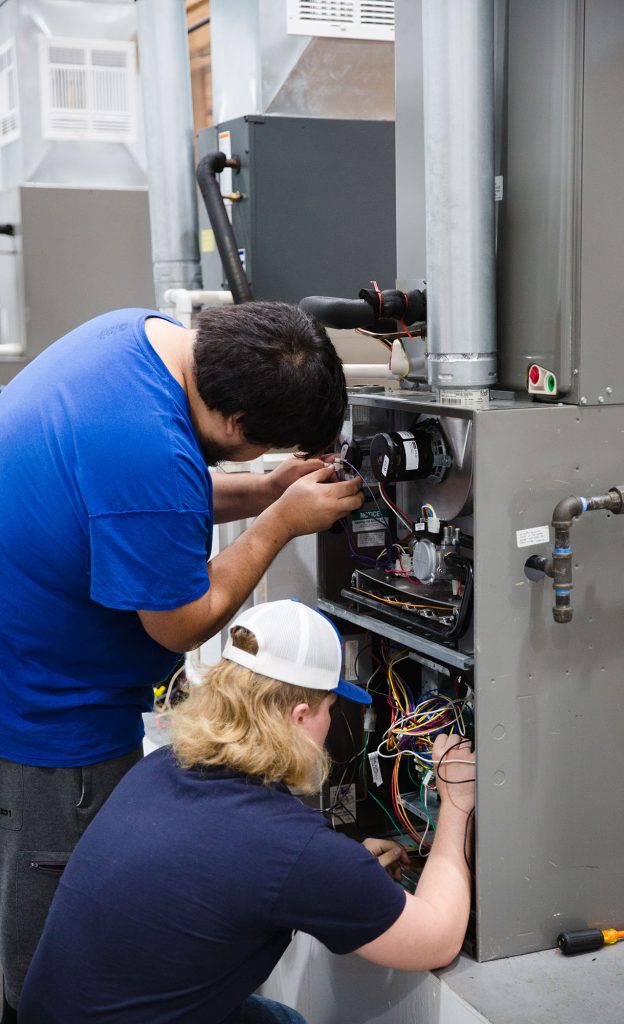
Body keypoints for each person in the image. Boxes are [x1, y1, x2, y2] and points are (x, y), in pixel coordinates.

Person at [0, 302, 363, 1016]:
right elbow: (180, 623)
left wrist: (263, 487)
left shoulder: (137, 339)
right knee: (53, 937)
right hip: (54, 721)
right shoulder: (146, 445)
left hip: (18, 658)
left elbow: (157, 497)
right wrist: (278, 524)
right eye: (258, 451)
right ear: (234, 424)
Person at [18, 599, 476, 1024]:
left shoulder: (165, 766)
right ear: (298, 717)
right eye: (330, 708)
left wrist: (341, 867)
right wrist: (455, 800)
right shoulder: (286, 848)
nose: (329, 723)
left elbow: (237, 866)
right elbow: (439, 937)